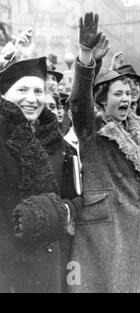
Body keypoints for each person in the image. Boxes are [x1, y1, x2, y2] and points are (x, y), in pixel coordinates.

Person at [68, 13, 140, 293]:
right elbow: (79, 100)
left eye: (128, 93)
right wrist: (87, 56)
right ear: (102, 99)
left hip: (130, 227)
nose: (126, 98)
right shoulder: (93, 127)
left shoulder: (136, 130)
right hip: (101, 228)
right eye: (118, 94)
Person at [0, 57, 80, 293]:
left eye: (38, 91)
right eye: (22, 90)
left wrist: (62, 211)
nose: (32, 98)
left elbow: (76, 197)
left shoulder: (59, 144)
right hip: (7, 263)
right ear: (3, 95)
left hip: (47, 263)